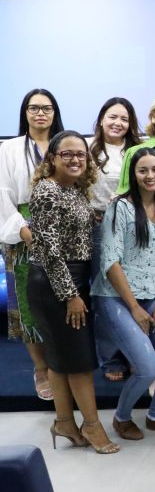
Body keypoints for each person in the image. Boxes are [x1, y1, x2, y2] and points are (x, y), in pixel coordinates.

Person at [29, 131, 119, 453]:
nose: (75, 159)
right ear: (52, 158)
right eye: (66, 154)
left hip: (71, 279)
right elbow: (50, 252)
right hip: (56, 283)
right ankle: (92, 426)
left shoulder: (75, 189)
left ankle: (65, 422)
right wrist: (71, 295)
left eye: (80, 153)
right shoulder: (47, 190)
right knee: (79, 361)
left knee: (59, 359)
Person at [93, 148, 155, 441]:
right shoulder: (119, 208)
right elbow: (110, 261)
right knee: (146, 368)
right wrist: (134, 308)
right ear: (133, 175)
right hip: (116, 298)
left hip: (153, 294)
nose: (150, 176)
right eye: (142, 170)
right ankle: (121, 418)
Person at [0, 89, 65, 401]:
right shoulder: (9, 148)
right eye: (34, 108)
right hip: (21, 229)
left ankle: (63, 365)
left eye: (47, 108)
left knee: (63, 301)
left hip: (64, 231)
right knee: (26, 305)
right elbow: (2, 193)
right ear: (25, 112)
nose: (40, 113)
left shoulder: (64, 144)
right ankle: (40, 368)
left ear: (54, 113)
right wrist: (24, 230)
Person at [88, 97, 143, 382]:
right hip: (99, 228)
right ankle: (110, 359)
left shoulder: (139, 150)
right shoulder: (87, 150)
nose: (118, 123)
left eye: (124, 118)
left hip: (134, 229)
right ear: (101, 119)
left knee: (134, 292)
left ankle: (136, 355)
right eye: (112, 117)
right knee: (106, 295)